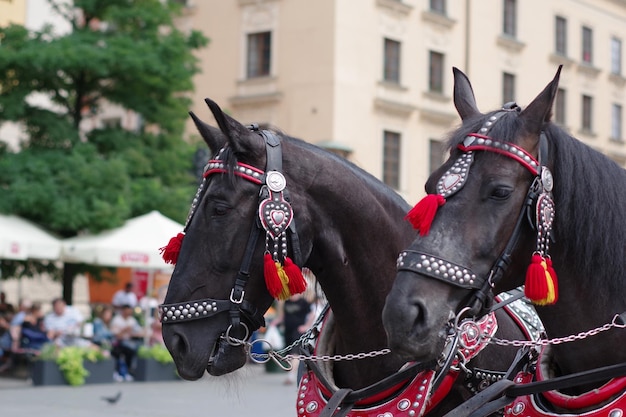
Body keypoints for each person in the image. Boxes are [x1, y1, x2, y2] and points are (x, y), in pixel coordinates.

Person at [272, 293, 315, 385]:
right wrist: (276, 322)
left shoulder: (303, 303)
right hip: (288, 331)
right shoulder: (286, 303)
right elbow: (282, 316)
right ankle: (292, 373)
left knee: (294, 353)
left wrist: (306, 326)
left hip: (298, 331)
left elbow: (312, 315)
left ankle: (291, 376)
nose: (293, 296)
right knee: (289, 354)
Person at [110, 304, 144, 381]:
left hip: (129, 343)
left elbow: (139, 332)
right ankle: (117, 372)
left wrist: (132, 333)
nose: (129, 312)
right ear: (123, 311)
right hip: (118, 343)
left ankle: (128, 372)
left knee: (133, 350)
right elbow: (115, 334)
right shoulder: (116, 320)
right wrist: (124, 330)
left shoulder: (132, 320)